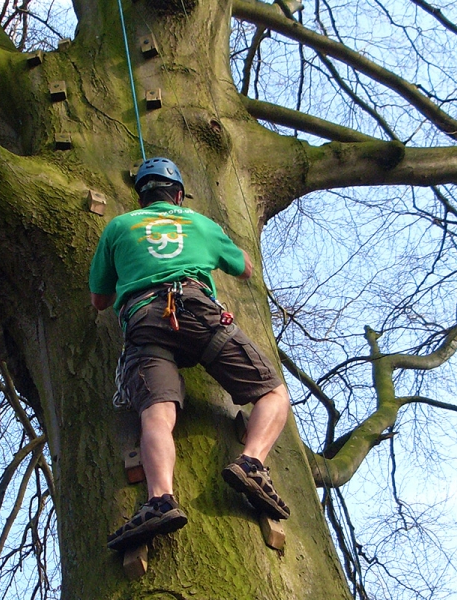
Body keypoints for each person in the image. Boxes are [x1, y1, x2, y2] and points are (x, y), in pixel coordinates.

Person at [89, 157, 292, 552]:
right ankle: (251, 463)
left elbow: (99, 300)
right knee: (272, 393)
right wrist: (214, 247)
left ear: (142, 196)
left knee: (156, 415)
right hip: (198, 312)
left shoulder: (118, 226)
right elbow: (246, 269)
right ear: (178, 196)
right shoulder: (200, 223)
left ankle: (160, 500)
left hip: (144, 321)